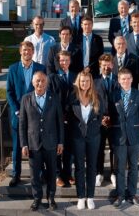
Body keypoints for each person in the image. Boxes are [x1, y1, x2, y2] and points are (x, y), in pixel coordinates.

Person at [19, 71, 64, 211]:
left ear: (47, 82)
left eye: (43, 81)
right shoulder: (26, 99)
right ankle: (37, 198)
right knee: (34, 175)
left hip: (51, 143)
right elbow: (22, 123)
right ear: (33, 83)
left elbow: (59, 122)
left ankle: (51, 198)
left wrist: (60, 142)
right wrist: (24, 144)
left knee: (51, 173)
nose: (40, 83)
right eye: (37, 81)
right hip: (33, 143)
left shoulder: (54, 98)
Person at [6, 41, 46, 187]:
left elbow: (44, 89)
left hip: (36, 116)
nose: (27, 53)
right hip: (18, 115)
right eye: (24, 50)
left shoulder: (40, 68)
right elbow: (9, 92)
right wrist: (17, 110)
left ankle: (40, 174)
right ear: (20, 52)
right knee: (17, 146)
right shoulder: (13, 69)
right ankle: (16, 174)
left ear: (33, 52)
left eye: (29, 50)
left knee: (38, 146)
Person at [109, 68, 139, 209]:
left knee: (133, 167)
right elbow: (109, 114)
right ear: (119, 81)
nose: (126, 81)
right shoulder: (113, 95)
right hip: (119, 136)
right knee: (120, 168)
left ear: (132, 79)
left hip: (134, 136)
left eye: (128, 78)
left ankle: (132, 194)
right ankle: (120, 195)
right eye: (123, 79)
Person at [67, 70, 103, 210]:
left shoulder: (97, 96)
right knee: (80, 167)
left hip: (93, 136)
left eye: (87, 81)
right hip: (77, 137)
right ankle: (81, 197)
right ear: (78, 82)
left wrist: (94, 127)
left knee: (92, 167)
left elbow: (100, 115)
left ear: (91, 82)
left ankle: (90, 197)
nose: (85, 83)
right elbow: (69, 116)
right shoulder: (73, 97)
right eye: (82, 81)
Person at [47, 50, 77, 187]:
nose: (64, 63)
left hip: (71, 117)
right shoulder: (52, 78)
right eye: (62, 60)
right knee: (57, 147)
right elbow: (51, 98)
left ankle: (68, 173)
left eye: (66, 60)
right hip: (56, 118)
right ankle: (57, 175)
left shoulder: (75, 76)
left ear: (70, 61)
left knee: (69, 148)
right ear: (58, 62)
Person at [94, 54, 118, 188]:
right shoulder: (94, 80)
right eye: (103, 65)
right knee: (99, 148)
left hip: (114, 121)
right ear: (100, 66)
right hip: (99, 120)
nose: (106, 67)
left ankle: (114, 173)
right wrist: (101, 117)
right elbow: (92, 102)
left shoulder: (118, 80)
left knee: (114, 148)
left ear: (112, 65)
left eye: (108, 65)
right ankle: (99, 173)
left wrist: (111, 117)